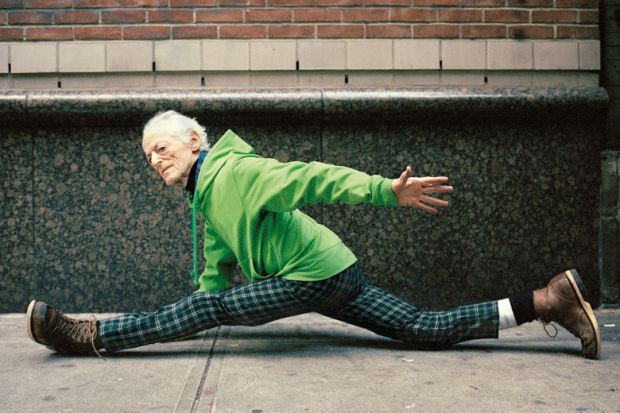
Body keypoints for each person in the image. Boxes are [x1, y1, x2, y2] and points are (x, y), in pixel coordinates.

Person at [26, 110, 600, 359]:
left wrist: (385, 190)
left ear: (195, 143)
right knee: (421, 328)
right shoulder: (206, 194)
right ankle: (549, 300)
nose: (155, 160)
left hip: (310, 275)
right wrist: (205, 290)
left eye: (163, 148)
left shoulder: (238, 172)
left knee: (208, 312)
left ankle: (89, 336)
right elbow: (217, 255)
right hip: (336, 271)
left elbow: (311, 177)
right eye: (148, 155)